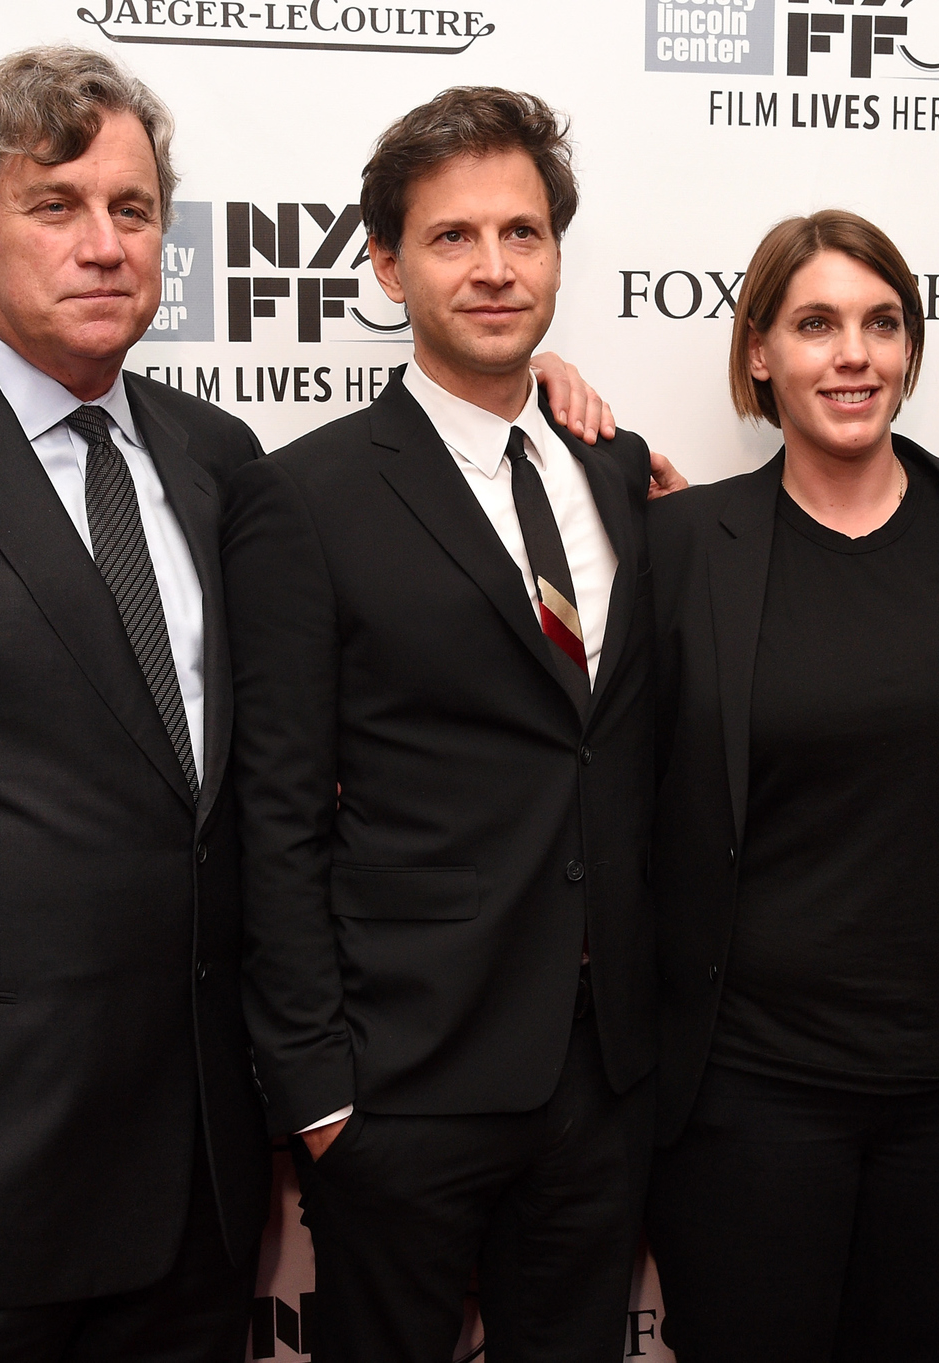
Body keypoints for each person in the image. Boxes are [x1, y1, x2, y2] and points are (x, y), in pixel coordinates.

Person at [0, 47, 614, 1362]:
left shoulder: (217, 461)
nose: (105, 244)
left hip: (188, 1201)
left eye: (135, 210)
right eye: (57, 205)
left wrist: (545, 421)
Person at [225, 88, 664, 1363]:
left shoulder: (618, 472)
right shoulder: (301, 496)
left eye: (520, 233)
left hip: (605, 1074)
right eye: (452, 237)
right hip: (402, 1077)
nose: (493, 266)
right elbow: (276, 803)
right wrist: (317, 1087)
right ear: (385, 263)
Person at [642, 210, 939, 1363]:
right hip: (747, 1096)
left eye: (882, 323)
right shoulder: (681, 550)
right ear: (759, 353)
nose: (853, 355)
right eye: (814, 323)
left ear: (912, 349)